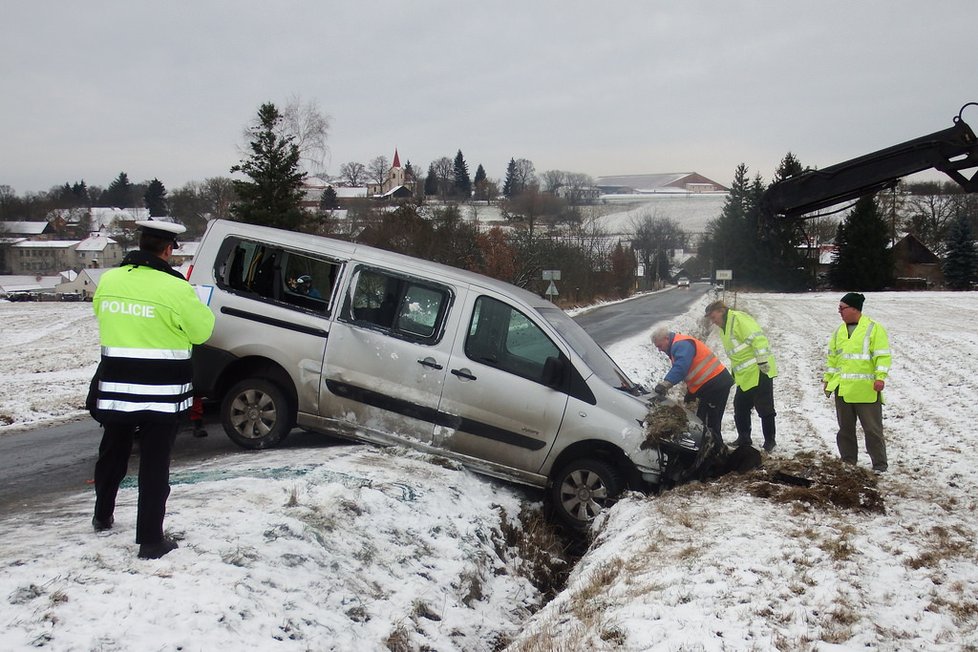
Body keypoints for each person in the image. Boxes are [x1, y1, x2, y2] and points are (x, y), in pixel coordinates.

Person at [88, 220, 215, 559]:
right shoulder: (176, 288)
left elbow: (101, 313)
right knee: (154, 463)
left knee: (113, 451)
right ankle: (150, 540)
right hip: (162, 392)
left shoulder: (110, 279)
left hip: (115, 388)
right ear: (168, 249)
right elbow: (202, 332)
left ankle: (102, 515)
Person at [823, 292, 890, 473]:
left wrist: (880, 378)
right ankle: (848, 461)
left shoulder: (873, 329)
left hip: (866, 390)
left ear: (854, 309)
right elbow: (832, 359)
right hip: (843, 390)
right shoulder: (839, 331)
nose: (839, 312)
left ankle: (879, 465)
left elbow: (882, 356)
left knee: (872, 430)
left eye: (842, 308)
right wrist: (828, 380)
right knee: (845, 430)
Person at [705, 300, 778, 452]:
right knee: (740, 406)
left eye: (713, 317)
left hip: (759, 370)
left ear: (721, 311)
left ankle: (770, 441)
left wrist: (763, 361)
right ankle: (744, 438)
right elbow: (737, 354)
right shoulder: (724, 327)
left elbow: (758, 338)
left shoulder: (738, 319)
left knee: (764, 407)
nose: (713, 321)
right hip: (745, 375)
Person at [650, 327, 734, 449]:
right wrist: (691, 391)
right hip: (710, 385)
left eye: (660, 346)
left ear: (666, 339)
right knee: (701, 420)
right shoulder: (677, 345)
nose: (659, 349)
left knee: (711, 421)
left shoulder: (681, 344)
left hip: (717, 385)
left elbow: (681, 367)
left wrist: (665, 384)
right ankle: (708, 447)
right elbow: (692, 370)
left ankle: (717, 450)